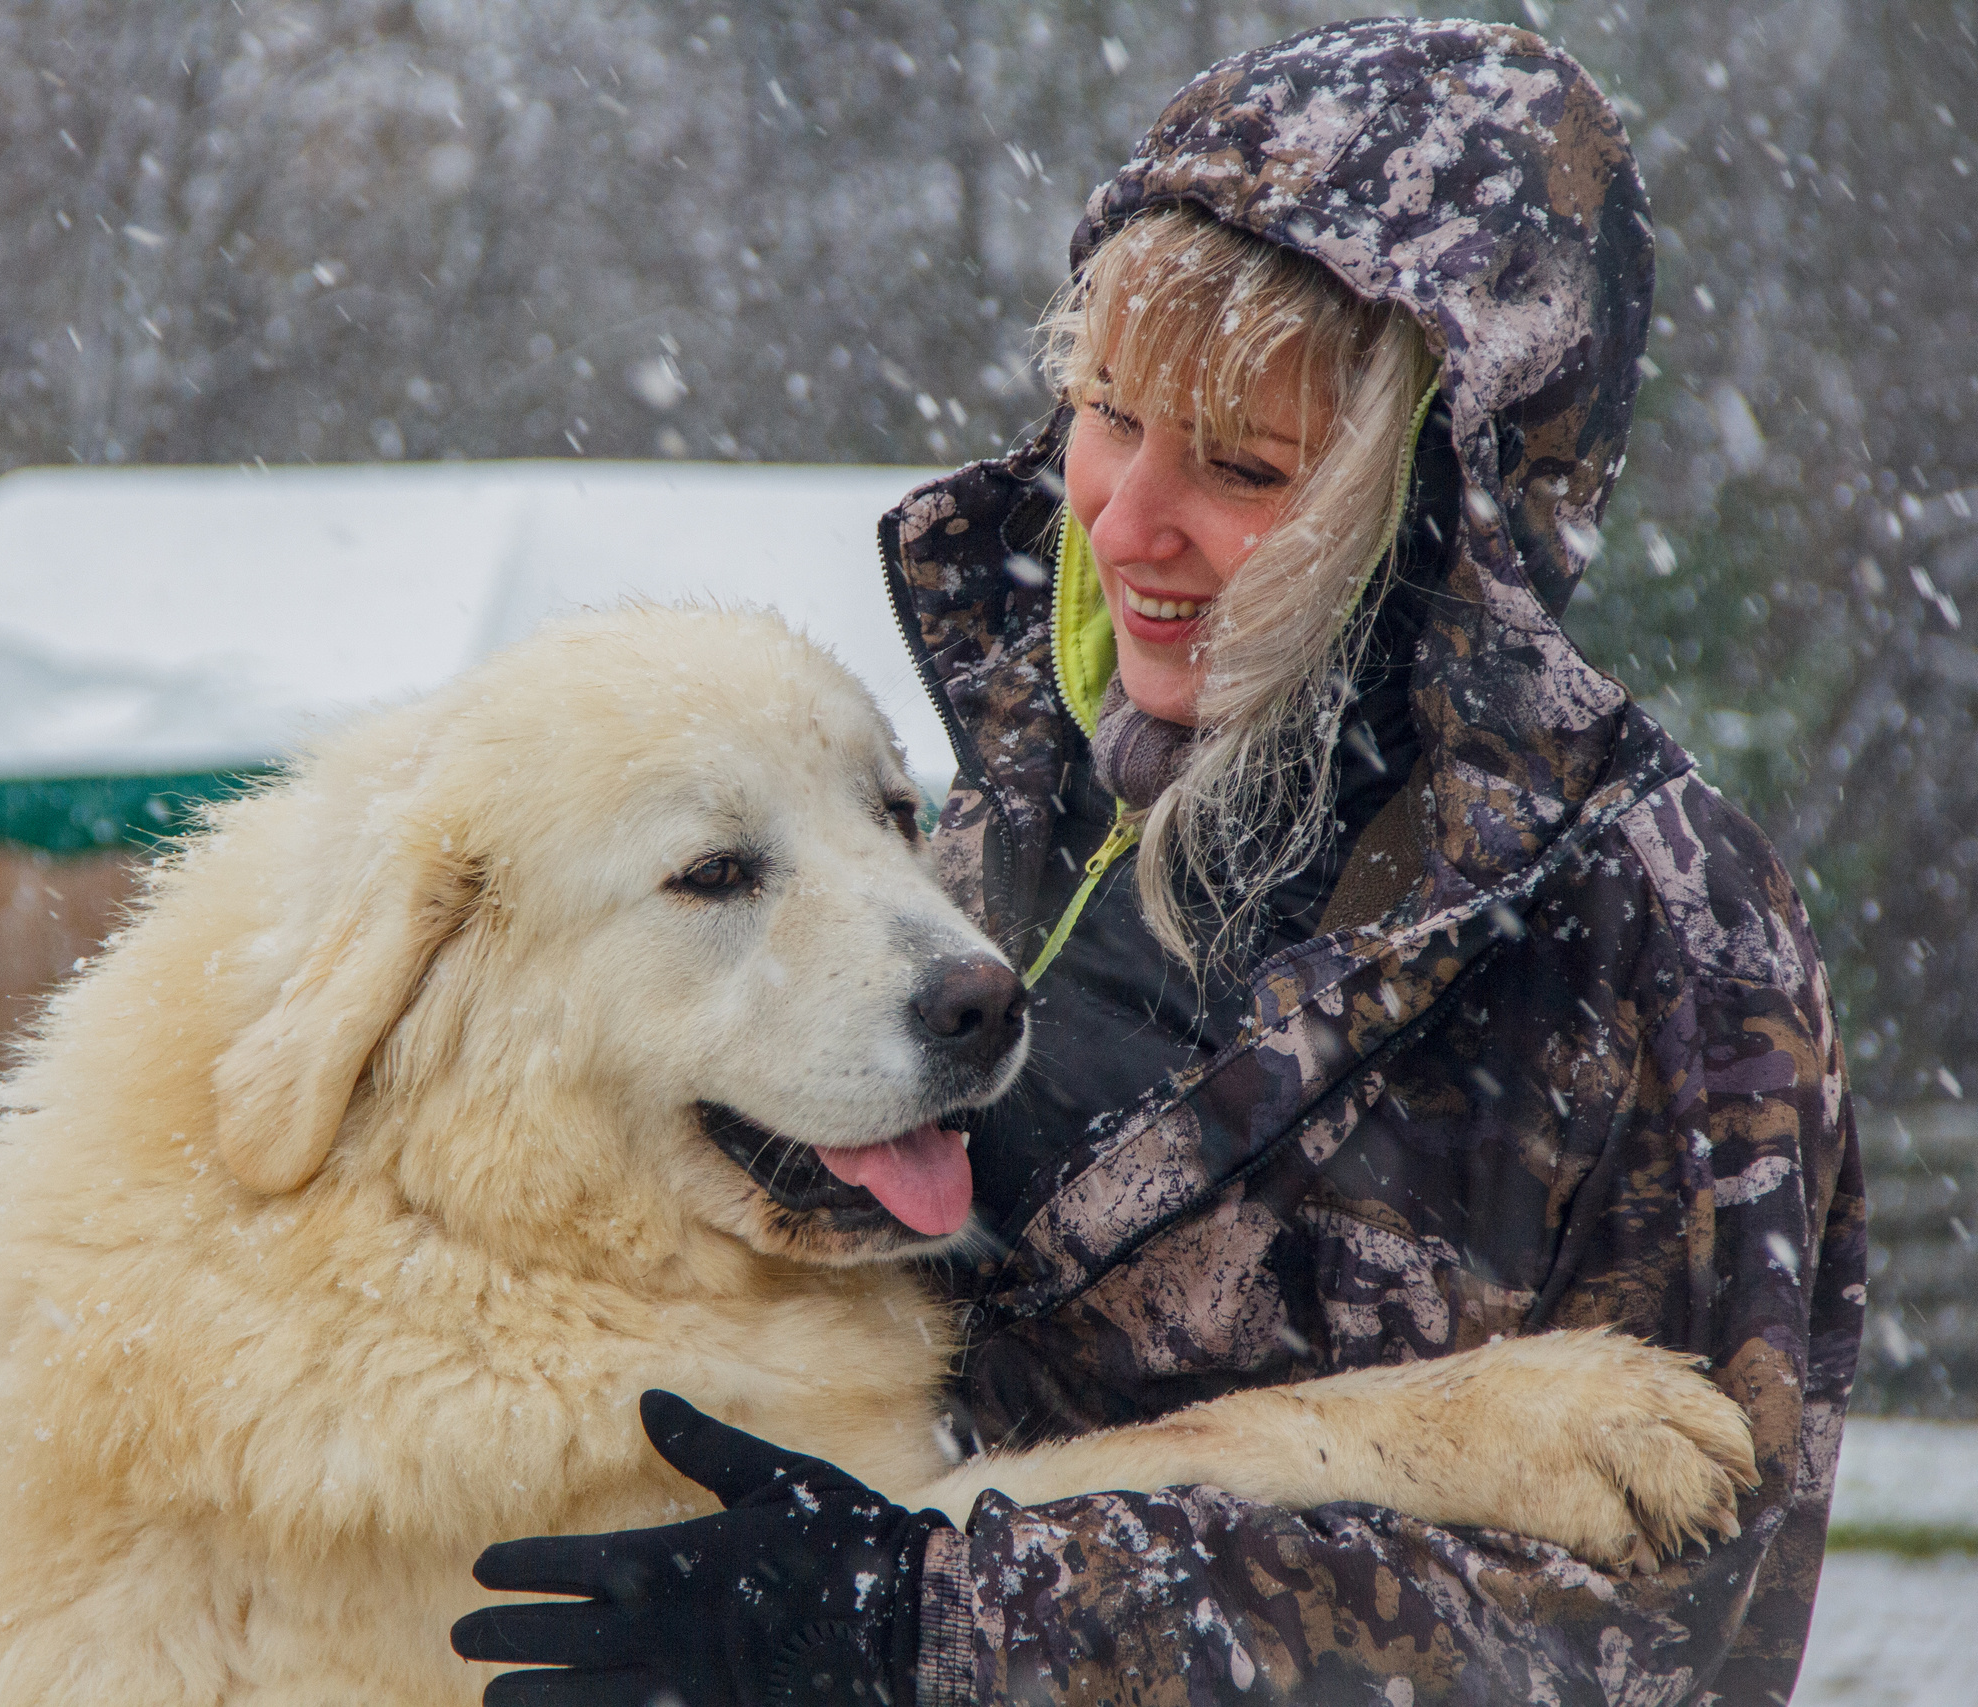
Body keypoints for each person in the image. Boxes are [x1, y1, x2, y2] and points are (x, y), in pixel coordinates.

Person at [451, 16, 1866, 1704]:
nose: (1124, 522)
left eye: (1247, 468)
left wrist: (944, 1627)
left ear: (1443, 510)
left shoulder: (1657, 932)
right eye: (1109, 415)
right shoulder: (1001, 796)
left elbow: (1664, 1646)